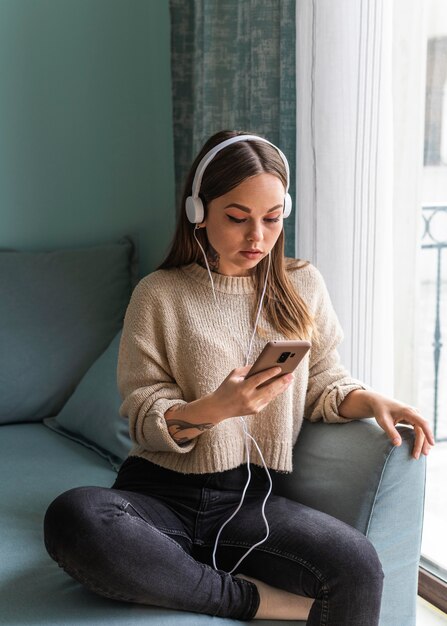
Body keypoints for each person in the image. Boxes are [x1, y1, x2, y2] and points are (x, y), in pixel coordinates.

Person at [44, 130, 435, 624]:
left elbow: (323, 386)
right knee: (76, 518)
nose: (258, 238)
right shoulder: (159, 293)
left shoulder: (302, 285)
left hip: (254, 502)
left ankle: (181, 579)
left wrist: (370, 400)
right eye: (237, 218)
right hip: (159, 494)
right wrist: (216, 409)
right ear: (198, 213)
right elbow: (144, 417)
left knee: (358, 565)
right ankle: (252, 601)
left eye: (272, 219)